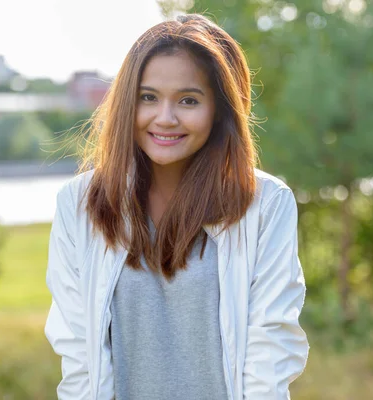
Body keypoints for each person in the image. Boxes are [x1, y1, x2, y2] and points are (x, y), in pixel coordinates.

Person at [44, 13, 308, 400]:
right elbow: (79, 355)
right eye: (148, 97)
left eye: (188, 100)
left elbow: (270, 351)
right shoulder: (79, 204)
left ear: (221, 109)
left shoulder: (265, 204)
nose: (164, 119)